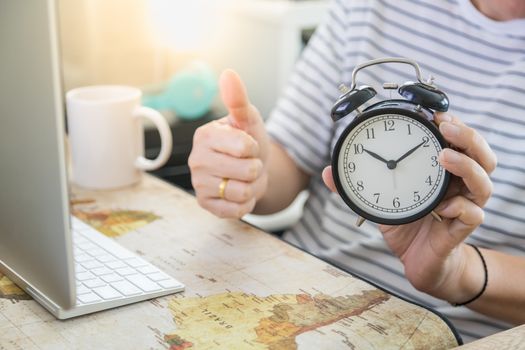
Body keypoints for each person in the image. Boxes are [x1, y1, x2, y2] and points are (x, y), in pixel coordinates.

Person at [188, 0, 525, 342]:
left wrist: (459, 272)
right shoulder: (366, 6)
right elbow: (286, 164)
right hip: (297, 298)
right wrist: (248, 167)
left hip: (451, 334)